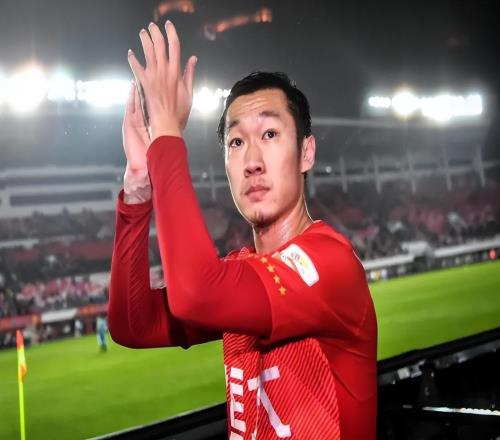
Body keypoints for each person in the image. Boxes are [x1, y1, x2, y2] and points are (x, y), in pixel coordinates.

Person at [108, 20, 377, 439]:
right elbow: (133, 324)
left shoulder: (330, 262)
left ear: (306, 152)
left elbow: (198, 291)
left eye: (270, 133)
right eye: (236, 143)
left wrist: (166, 136)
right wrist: (140, 187)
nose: (252, 161)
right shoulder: (242, 275)